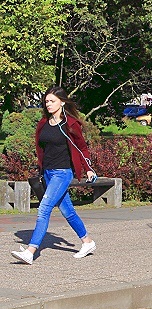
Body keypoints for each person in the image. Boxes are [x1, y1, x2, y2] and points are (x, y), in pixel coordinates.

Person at [12, 87, 96, 264]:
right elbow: (42, 148)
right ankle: (87, 242)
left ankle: (30, 250)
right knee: (68, 211)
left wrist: (88, 168)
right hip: (48, 172)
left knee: (44, 209)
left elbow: (82, 148)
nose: (48, 104)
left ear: (62, 102)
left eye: (52, 101)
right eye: (46, 101)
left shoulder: (70, 124)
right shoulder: (44, 122)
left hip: (62, 172)